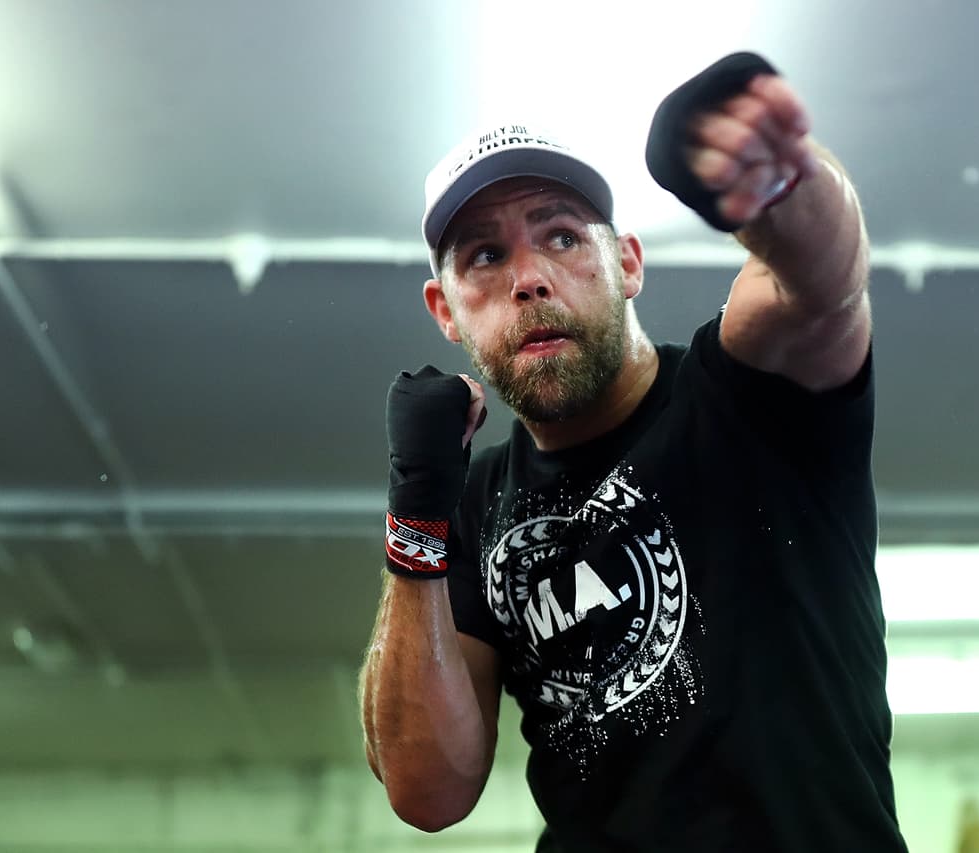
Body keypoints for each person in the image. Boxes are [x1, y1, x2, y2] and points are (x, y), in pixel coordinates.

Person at [360, 52, 908, 852]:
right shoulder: (471, 508)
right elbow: (429, 790)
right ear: (446, 310)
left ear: (627, 262)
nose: (531, 278)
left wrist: (778, 184)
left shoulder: (742, 395)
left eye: (561, 235)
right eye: (486, 255)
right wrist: (415, 514)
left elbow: (818, 284)